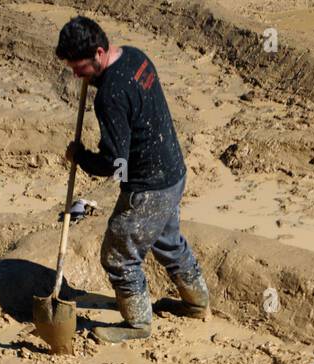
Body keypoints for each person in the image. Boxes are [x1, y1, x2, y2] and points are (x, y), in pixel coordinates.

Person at [55, 16, 210, 344]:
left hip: (148, 188)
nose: (75, 75)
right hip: (173, 173)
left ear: (98, 53)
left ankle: (138, 325)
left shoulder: (109, 95)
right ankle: (197, 304)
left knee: (118, 253)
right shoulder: (136, 57)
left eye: (79, 68)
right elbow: (128, 94)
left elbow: (114, 161)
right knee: (168, 241)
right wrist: (95, 79)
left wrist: (79, 155)